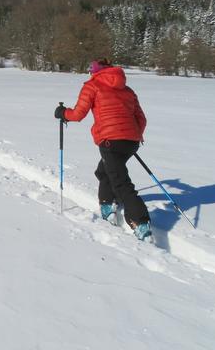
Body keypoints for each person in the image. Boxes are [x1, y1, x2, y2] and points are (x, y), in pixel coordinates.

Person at [54, 58, 152, 240]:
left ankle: (141, 222)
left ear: (95, 72)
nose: (90, 74)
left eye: (91, 71)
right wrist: (133, 135)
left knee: (121, 182)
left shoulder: (93, 85)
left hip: (110, 142)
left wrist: (62, 113)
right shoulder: (127, 89)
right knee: (104, 170)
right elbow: (142, 119)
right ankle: (107, 202)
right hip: (130, 142)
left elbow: (78, 114)